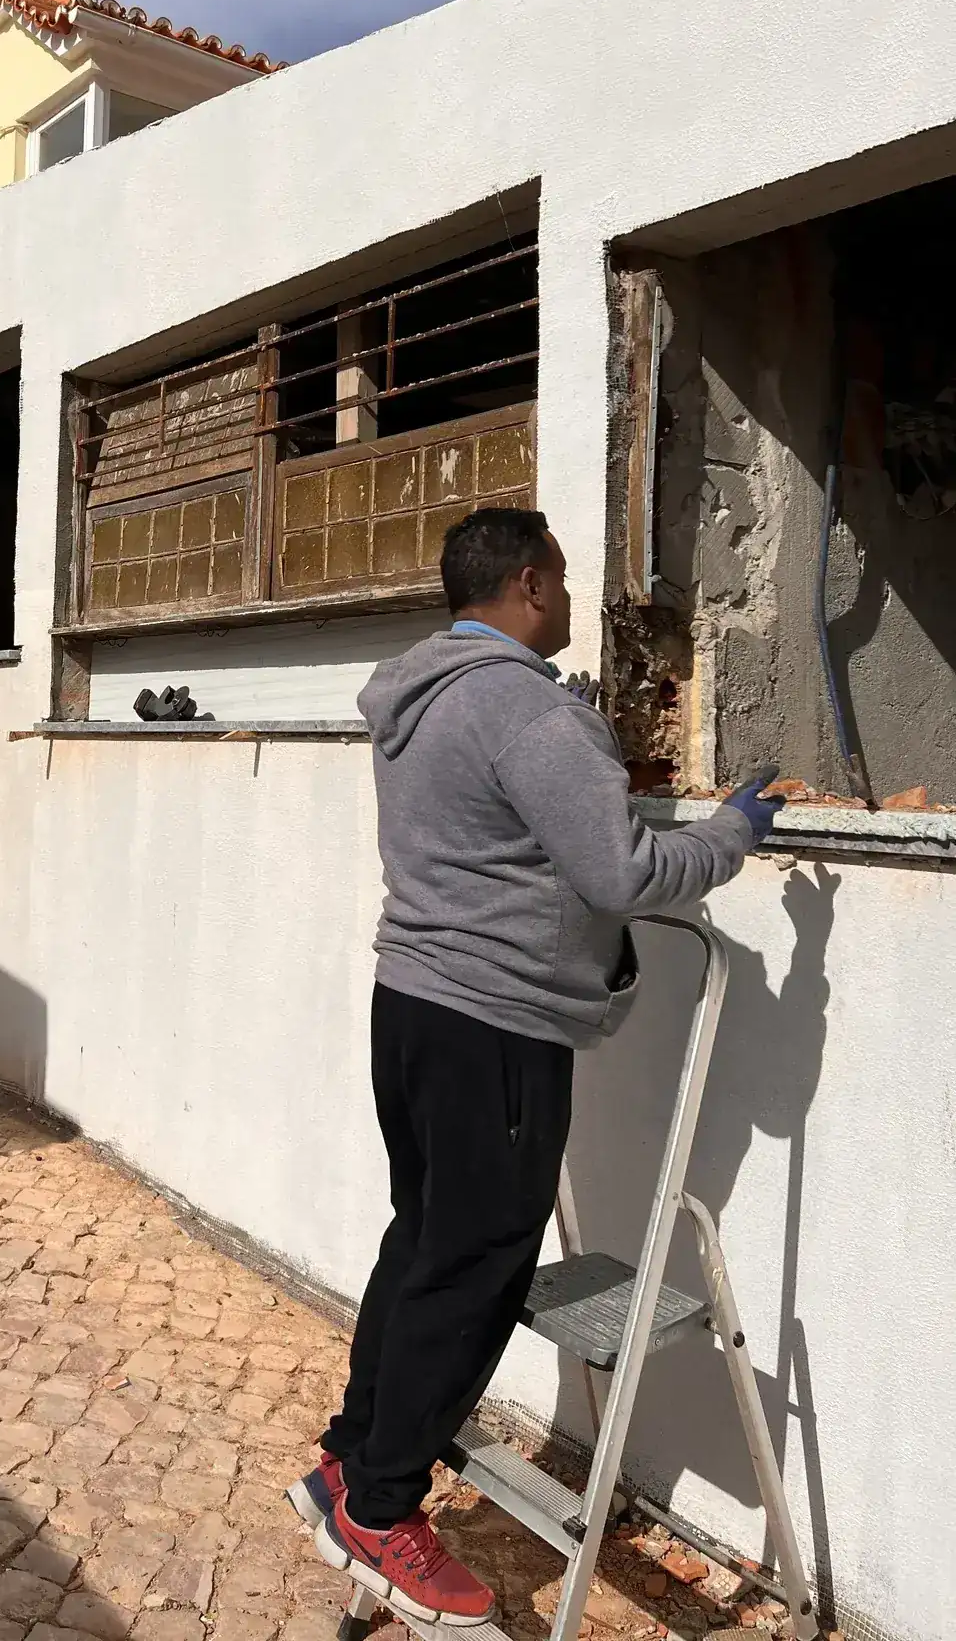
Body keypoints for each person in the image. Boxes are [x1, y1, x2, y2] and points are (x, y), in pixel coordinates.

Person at [287, 507, 782, 1627]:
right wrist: (731, 834)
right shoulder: (522, 704)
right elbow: (616, 868)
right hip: (497, 1028)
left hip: (411, 1004)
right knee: (475, 1268)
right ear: (526, 583)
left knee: (424, 1238)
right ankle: (379, 1505)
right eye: (558, 578)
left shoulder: (414, 690)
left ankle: (349, 1455)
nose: (566, 598)